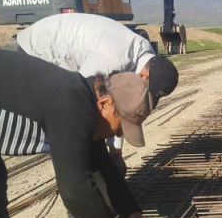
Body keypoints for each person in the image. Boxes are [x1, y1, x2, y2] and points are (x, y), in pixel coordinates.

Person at [0, 49, 160, 218]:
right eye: (121, 125)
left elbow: (99, 167)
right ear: (105, 103)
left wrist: (134, 217)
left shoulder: (84, 100)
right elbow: (73, 187)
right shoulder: (70, 107)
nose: (118, 133)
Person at [15, 14, 179, 172]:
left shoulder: (146, 57)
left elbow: (122, 108)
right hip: (36, 50)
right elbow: (82, 98)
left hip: (67, 55)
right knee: (71, 128)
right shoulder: (112, 60)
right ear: (144, 76)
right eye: (147, 91)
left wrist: (115, 152)